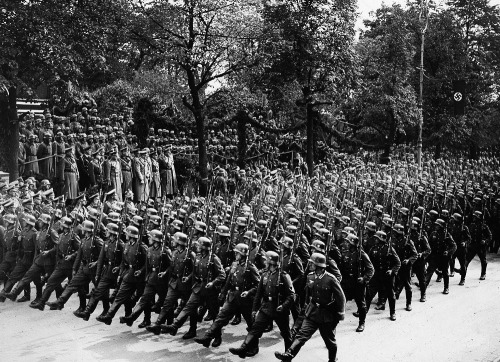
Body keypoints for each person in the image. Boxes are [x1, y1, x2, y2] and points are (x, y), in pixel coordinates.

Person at [275, 253, 346, 362]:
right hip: (312, 313)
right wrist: (305, 312)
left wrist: (340, 314)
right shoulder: (310, 276)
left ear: (318, 265)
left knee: (329, 341)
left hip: (326, 315)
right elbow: (308, 298)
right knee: (301, 335)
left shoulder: (330, 279)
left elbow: (341, 297)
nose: (309, 264)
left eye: (312, 263)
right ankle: (289, 354)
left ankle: (332, 359)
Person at [230, 250, 295, 358]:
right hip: (266, 308)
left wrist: (283, 306)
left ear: (271, 262)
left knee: (286, 334)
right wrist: (254, 310)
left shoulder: (283, 276)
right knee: (255, 328)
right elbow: (258, 294)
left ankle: (288, 355)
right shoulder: (265, 274)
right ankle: (244, 348)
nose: (264, 262)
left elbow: (292, 296)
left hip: (279, 309)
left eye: (266, 260)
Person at [194, 243, 260, 348]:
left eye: (237, 253)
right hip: (232, 297)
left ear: (242, 254)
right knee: (220, 317)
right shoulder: (234, 264)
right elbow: (229, 281)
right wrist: (223, 293)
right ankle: (207, 337)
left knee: (251, 324)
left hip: (245, 300)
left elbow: (259, 285)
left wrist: (249, 292)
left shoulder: (251, 267)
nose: (235, 254)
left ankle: (254, 347)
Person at [339, 234, 374, 332]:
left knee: (361, 304)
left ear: (352, 244)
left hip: (358, 283)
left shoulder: (361, 255)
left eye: (348, 242)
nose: (345, 243)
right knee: (340, 301)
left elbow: (370, 269)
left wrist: (364, 278)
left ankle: (362, 323)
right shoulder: (345, 253)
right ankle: (334, 323)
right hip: (346, 283)